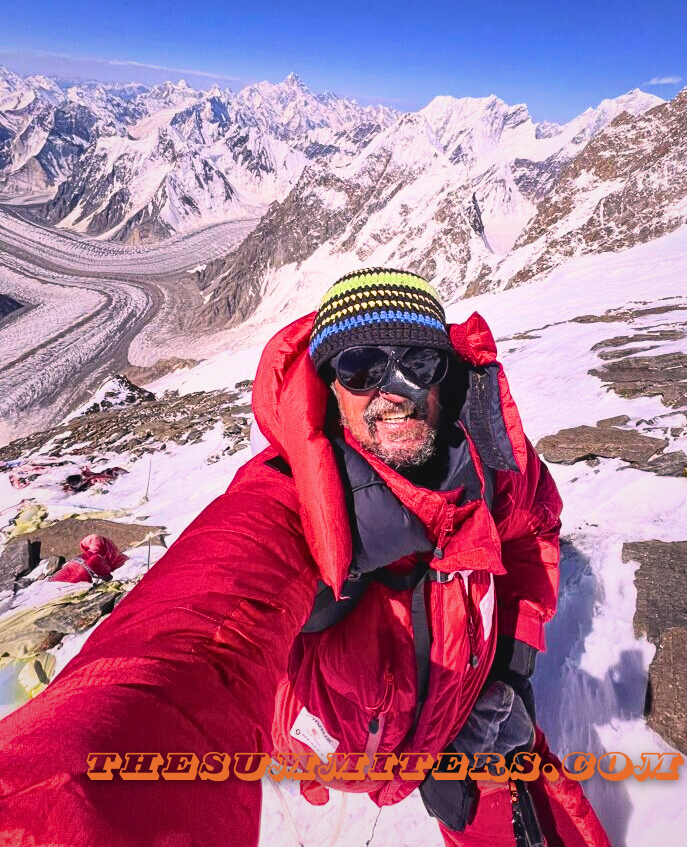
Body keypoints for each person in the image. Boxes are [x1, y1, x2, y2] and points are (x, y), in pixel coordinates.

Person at [0, 267, 609, 847]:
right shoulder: (285, 498)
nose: (393, 391)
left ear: (443, 377)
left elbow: (533, 535)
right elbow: (190, 639)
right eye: (362, 366)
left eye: (416, 363)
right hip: (340, 748)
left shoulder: (495, 471)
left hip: (463, 727)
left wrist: (508, 669)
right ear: (327, 386)